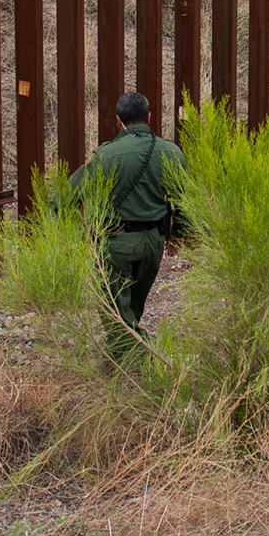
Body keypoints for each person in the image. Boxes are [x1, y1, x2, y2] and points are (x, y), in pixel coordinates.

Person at [68, 92, 185, 363]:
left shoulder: (105, 155)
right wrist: (177, 234)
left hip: (115, 243)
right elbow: (185, 199)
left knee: (115, 312)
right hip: (154, 243)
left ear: (119, 120)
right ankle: (121, 362)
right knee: (132, 306)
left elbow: (68, 196)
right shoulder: (171, 152)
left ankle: (145, 365)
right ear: (149, 117)